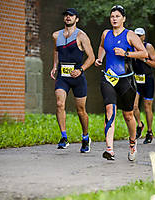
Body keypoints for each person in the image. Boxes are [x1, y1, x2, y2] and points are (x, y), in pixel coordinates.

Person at [95, 5, 148, 161]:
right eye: (112, 16)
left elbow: (144, 53)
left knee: (128, 115)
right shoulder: (106, 34)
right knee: (109, 110)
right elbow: (101, 46)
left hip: (126, 79)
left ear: (123, 18)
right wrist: (100, 58)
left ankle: (132, 142)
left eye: (117, 16)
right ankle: (109, 149)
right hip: (109, 78)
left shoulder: (130, 35)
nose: (114, 19)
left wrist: (126, 53)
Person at [50, 8, 95, 152]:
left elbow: (91, 57)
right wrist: (54, 66)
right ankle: (64, 137)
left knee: (81, 110)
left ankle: (85, 137)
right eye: (66, 15)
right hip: (63, 76)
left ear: (77, 19)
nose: (68, 17)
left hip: (77, 77)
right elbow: (56, 51)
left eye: (71, 15)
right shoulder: (56, 35)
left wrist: (81, 69)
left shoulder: (81, 36)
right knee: (59, 104)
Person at [133, 28, 155, 144]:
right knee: (133, 106)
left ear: (143, 37)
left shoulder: (148, 47)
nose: (138, 38)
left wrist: (144, 59)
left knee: (147, 107)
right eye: (136, 36)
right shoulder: (131, 47)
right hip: (136, 79)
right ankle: (139, 125)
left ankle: (149, 132)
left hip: (147, 79)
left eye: (140, 36)